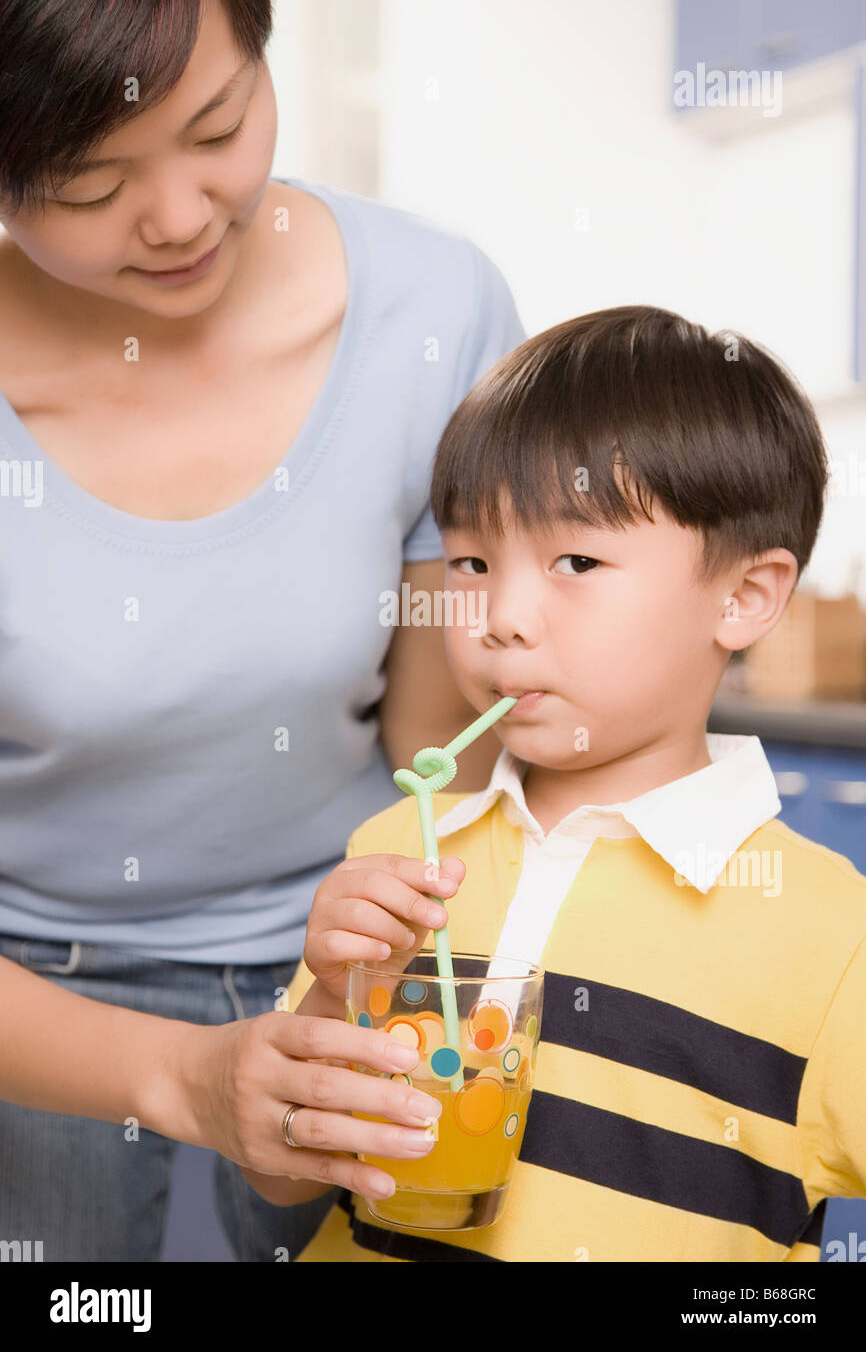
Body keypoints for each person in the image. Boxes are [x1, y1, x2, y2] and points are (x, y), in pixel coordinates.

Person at [0, 0, 524, 1261]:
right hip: (31, 989)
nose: (179, 216)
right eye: (86, 184)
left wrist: (354, 970)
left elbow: (435, 768)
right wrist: (177, 1074)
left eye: (221, 127)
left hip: (351, 959)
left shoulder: (433, 317)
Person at [251, 304, 866, 1260]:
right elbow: (278, 1175)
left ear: (744, 598)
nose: (502, 616)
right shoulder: (395, 851)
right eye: (472, 561)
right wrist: (332, 1005)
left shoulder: (836, 940)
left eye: (576, 559)